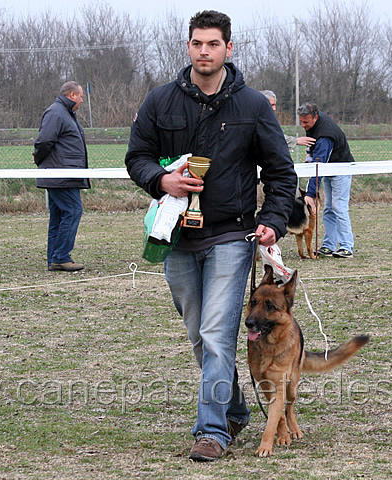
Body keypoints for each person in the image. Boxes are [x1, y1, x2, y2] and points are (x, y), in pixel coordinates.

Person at [125, 10, 297, 462]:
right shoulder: (160, 101)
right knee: (201, 338)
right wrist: (162, 182)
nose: (205, 51)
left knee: (218, 333)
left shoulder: (253, 105)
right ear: (188, 47)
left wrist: (274, 220)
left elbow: (281, 171)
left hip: (231, 236)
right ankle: (235, 408)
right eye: (197, 43)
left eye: (213, 44)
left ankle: (212, 432)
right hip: (176, 239)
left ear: (228, 49)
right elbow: (137, 157)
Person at [33, 81, 90, 272]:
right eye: (81, 96)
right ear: (72, 95)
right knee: (73, 211)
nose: (82, 100)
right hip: (61, 175)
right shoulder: (56, 113)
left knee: (58, 216)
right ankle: (60, 257)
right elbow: (44, 141)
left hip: (64, 174)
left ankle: (54, 258)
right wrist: (39, 160)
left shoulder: (65, 113)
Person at [298, 102, 355, 258]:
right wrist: (310, 154)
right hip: (330, 168)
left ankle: (346, 246)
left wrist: (310, 193)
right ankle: (329, 245)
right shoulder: (313, 125)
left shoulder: (325, 135)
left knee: (339, 206)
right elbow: (313, 145)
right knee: (329, 208)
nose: (303, 125)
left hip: (341, 168)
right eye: (301, 122)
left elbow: (319, 166)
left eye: (306, 122)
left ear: (315, 118)